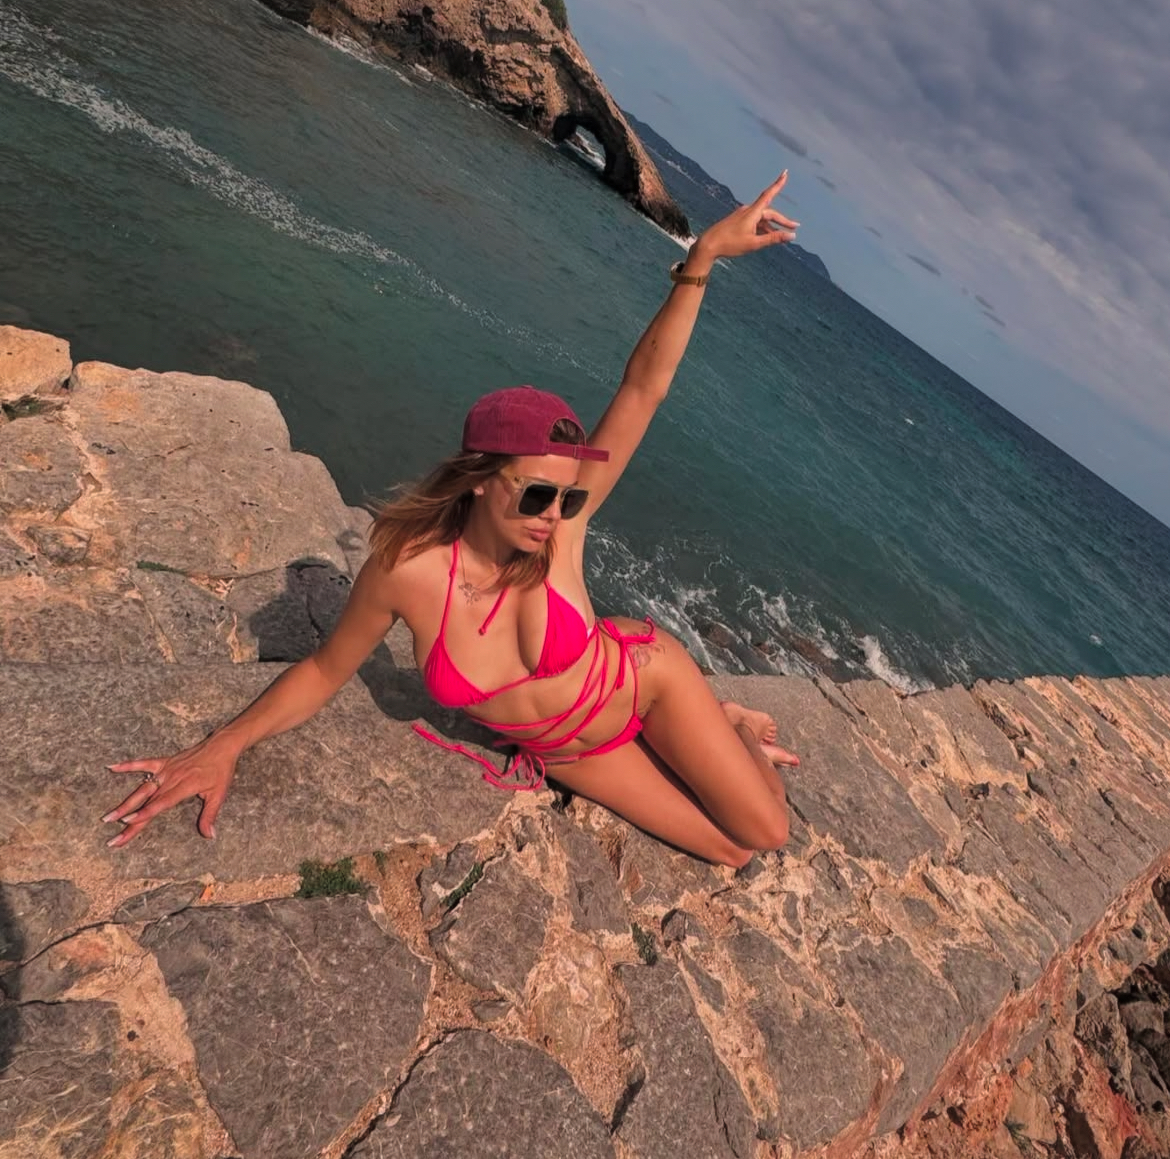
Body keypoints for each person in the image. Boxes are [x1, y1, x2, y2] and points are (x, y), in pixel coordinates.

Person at [103, 173, 802, 867]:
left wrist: (702, 259)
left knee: (767, 832)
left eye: (567, 497)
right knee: (731, 852)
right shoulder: (406, 570)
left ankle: (727, 724)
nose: (554, 514)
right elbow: (323, 671)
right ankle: (724, 727)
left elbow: (644, 388)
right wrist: (224, 744)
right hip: (566, 752)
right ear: (479, 479)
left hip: (643, 685)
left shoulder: (562, 527)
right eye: (537, 494)